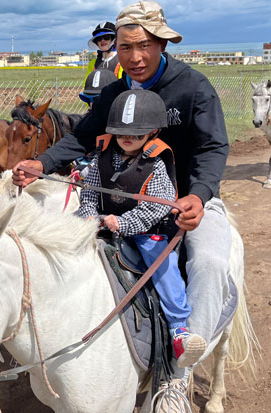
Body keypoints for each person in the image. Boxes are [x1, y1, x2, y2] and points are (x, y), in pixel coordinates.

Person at [14, 0, 232, 390]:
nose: (134, 57)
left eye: (143, 45)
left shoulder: (193, 87)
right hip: (119, 200)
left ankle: (181, 372)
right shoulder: (114, 93)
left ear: (162, 44)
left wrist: (199, 195)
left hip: (185, 202)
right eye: (124, 46)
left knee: (212, 263)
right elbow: (82, 137)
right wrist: (42, 164)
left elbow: (212, 148)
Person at [76, 90, 207, 368]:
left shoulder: (157, 162)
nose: (128, 139)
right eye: (122, 133)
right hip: (102, 222)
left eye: (136, 135)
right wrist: (89, 216)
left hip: (146, 230)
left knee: (162, 266)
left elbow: (157, 207)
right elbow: (88, 192)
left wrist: (123, 223)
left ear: (153, 132)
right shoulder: (102, 155)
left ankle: (179, 329)